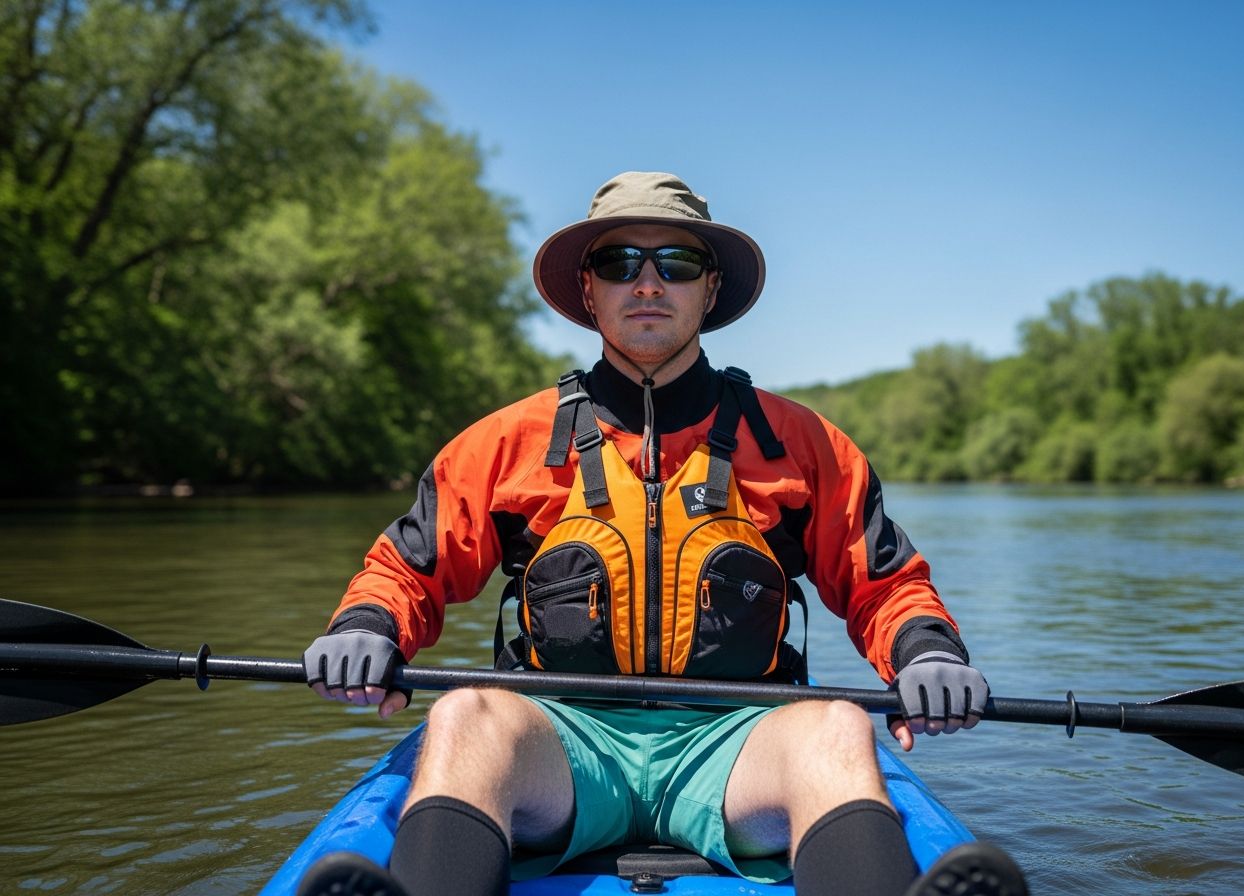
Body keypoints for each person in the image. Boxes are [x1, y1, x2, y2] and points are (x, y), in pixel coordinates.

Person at [298, 172, 1029, 896]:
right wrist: (368, 626)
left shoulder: (803, 444)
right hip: (562, 743)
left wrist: (927, 652)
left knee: (836, 725)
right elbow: (408, 568)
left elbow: (886, 586)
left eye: (676, 263)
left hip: (739, 744)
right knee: (464, 713)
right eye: (619, 263)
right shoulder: (505, 443)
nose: (647, 283)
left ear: (710, 289)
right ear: (589, 290)